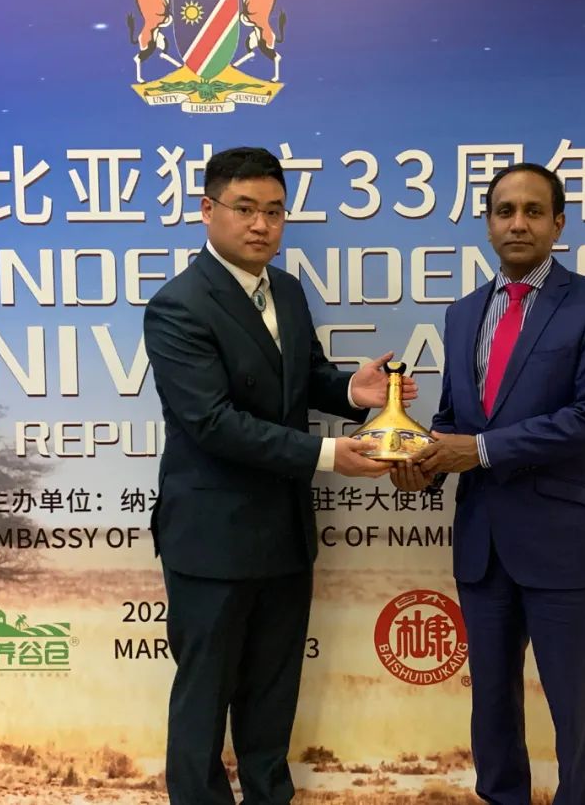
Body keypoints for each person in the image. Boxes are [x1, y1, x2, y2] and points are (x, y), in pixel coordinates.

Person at [144, 146, 414, 805]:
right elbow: (213, 423)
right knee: (204, 700)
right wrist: (327, 455)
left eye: (274, 211)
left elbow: (303, 376)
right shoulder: (178, 306)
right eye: (244, 209)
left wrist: (350, 391)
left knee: (271, 700)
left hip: (284, 534)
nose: (261, 225)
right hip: (212, 539)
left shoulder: (286, 290)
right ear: (207, 210)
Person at [392, 162, 585, 805]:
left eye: (532, 211)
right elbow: (454, 418)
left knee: (574, 712)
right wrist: (424, 465)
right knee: (492, 709)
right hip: (483, 543)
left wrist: (479, 450)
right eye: (504, 211)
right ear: (488, 224)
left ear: (558, 223)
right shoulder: (463, 313)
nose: (517, 223)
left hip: (564, 544)